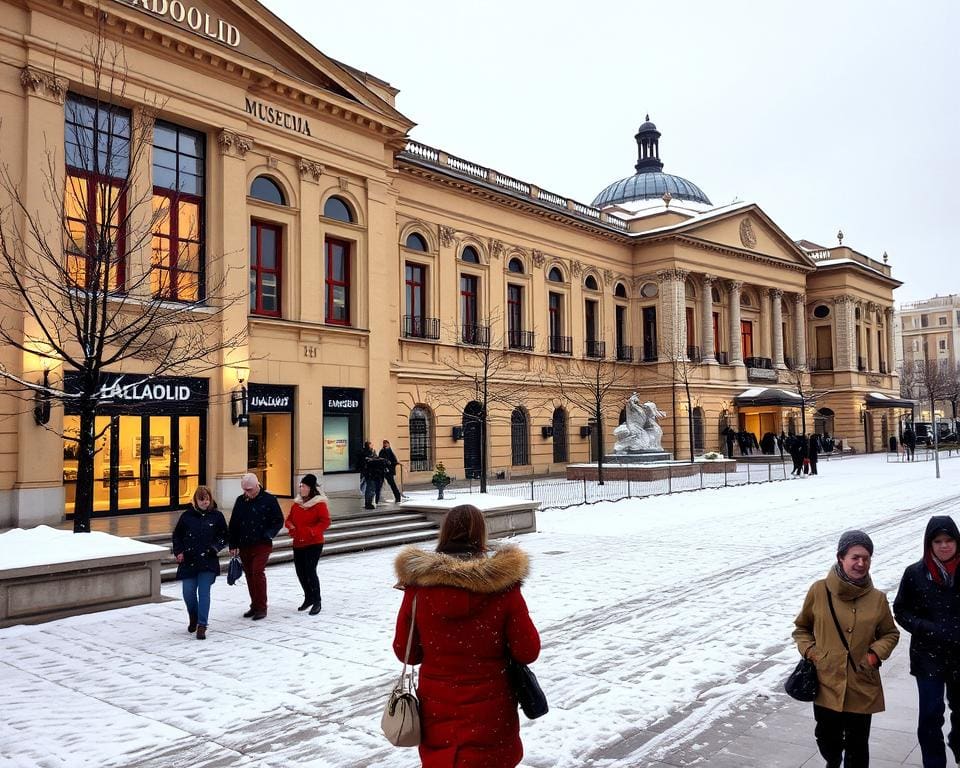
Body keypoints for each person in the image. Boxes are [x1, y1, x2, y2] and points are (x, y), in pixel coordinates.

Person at [392, 505, 541, 768]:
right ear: (481, 535)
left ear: (444, 533)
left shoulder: (418, 589)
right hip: (491, 707)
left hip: (437, 706)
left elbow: (407, 651)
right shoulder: (503, 588)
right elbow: (527, 650)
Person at [793, 530, 900, 768]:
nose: (861, 563)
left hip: (861, 682)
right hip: (826, 681)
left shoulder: (877, 599)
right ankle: (833, 761)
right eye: (855, 557)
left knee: (858, 746)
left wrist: (874, 655)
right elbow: (801, 628)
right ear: (841, 557)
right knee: (826, 738)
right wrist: (811, 652)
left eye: (866, 558)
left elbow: (890, 633)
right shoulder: (819, 591)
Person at [893, 516, 960, 768]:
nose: (944, 546)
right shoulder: (915, 574)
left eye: (949, 540)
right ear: (929, 544)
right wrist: (925, 628)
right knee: (931, 717)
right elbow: (901, 610)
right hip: (928, 657)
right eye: (938, 541)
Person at [172, 486, 228, 640]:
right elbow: (177, 536)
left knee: (204, 593)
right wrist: (179, 551)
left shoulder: (216, 516)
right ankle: (194, 616)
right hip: (189, 560)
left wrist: (215, 547)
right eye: (201, 499)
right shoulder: (186, 517)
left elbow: (224, 536)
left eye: (207, 499)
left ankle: (202, 624)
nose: (205, 502)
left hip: (208, 561)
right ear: (195, 501)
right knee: (188, 593)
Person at [228, 472, 284, 620]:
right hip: (244, 543)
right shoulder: (241, 501)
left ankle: (262, 607)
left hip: (262, 543)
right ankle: (254, 605)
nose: (247, 493)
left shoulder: (269, 500)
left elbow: (278, 520)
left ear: (257, 485)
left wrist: (268, 534)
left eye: (250, 489)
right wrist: (232, 544)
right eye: (244, 489)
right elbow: (234, 524)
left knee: (257, 572)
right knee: (250, 575)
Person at [285, 474, 331, 616]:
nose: (300, 488)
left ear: (310, 488)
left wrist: (312, 531)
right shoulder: (297, 504)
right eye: (300, 485)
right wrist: (291, 527)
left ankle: (317, 601)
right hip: (298, 542)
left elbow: (325, 521)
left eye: (303, 486)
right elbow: (288, 519)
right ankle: (308, 597)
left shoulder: (319, 504)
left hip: (314, 542)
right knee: (300, 572)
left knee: (310, 571)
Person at [361, 441, 386, 509]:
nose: (372, 446)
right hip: (370, 474)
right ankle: (368, 503)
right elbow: (369, 461)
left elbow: (375, 458)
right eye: (371, 445)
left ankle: (369, 502)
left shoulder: (372, 452)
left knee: (371, 488)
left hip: (373, 474)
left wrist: (380, 459)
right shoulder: (366, 453)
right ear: (368, 446)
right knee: (370, 488)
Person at [379, 439, 403, 503]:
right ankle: (378, 497)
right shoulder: (382, 451)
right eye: (384, 444)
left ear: (388, 444)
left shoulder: (390, 451)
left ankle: (397, 496)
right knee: (380, 484)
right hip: (383, 470)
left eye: (386, 444)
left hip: (389, 471)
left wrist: (394, 463)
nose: (385, 445)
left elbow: (394, 460)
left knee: (392, 484)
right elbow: (380, 460)